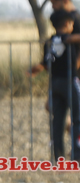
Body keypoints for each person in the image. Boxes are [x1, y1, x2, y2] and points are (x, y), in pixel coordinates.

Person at [29, 9, 80, 161]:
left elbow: (46, 63)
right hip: (69, 82)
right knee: (78, 118)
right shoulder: (66, 38)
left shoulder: (49, 41)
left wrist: (36, 69)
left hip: (55, 84)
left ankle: (58, 157)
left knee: (57, 121)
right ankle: (77, 156)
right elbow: (70, 39)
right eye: (72, 24)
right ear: (67, 23)